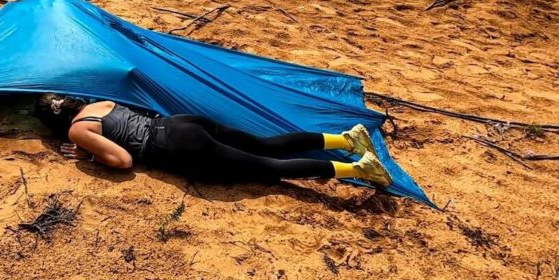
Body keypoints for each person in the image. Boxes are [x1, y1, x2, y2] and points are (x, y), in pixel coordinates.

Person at [34, 93, 392, 187]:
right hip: (181, 123)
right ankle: (345, 139)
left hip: (176, 148)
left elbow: (122, 162)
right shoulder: (98, 102)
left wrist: (88, 157)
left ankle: (359, 169)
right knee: (264, 144)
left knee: (268, 168)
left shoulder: (78, 129)